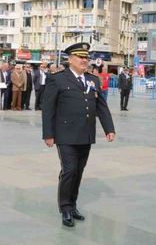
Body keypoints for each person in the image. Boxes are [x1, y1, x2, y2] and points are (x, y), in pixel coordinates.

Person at [42, 42, 115, 228]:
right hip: (65, 134)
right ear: (70, 59)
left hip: (86, 133)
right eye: (81, 57)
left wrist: (109, 128)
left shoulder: (92, 79)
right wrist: (48, 134)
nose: (85, 60)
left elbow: (101, 106)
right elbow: (48, 108)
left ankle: (73, 205)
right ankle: (65, 208)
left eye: (86, 57)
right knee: (69, 170)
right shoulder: (57, 79)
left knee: (79, 172)